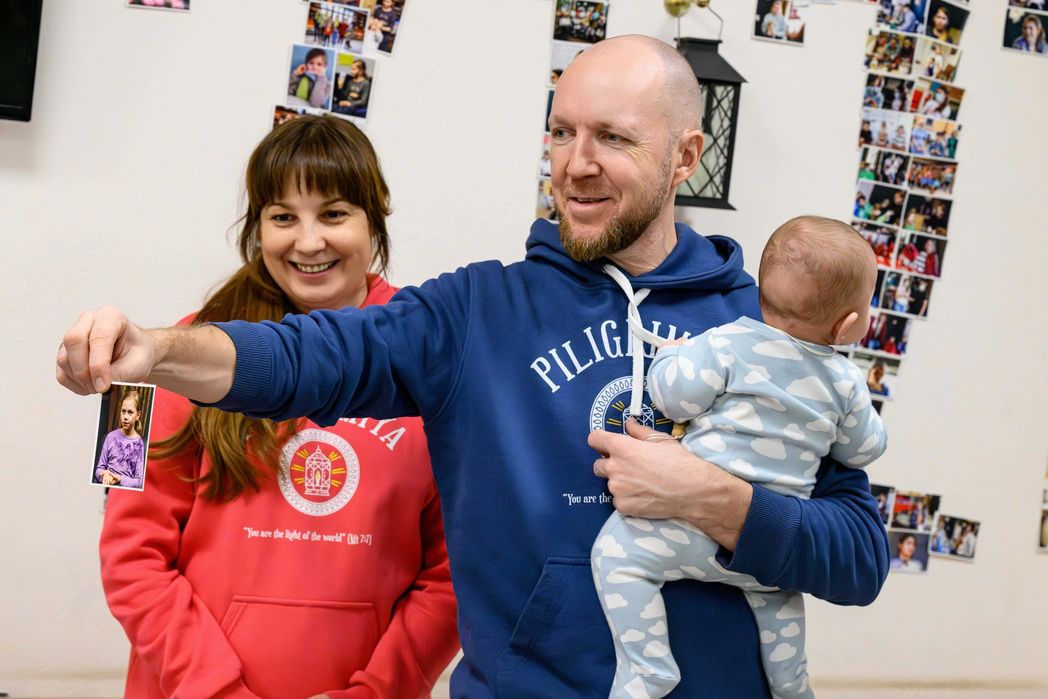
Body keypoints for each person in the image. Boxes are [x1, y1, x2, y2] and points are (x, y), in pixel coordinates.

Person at [58, 36, 890, 698]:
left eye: (613, 137)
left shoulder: (769, 327)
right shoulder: (467, 313)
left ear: (685, 156)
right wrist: (156, 351)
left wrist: (722, 502)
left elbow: (858, 556)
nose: (576, 162)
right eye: (561, 133)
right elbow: (301, 362)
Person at [97, 116, 460, 698]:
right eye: (283, 217)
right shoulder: (164, 353)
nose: (308, 242)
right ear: (257, 226)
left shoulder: (440, 355)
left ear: (375, 217)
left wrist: (376, 692)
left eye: (334, 214)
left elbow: (454, 571)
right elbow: (126, 556)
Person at [593, 216, 887, 699]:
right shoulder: (846, 382)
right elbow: (863, 450)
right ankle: (792, 685)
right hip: (760, 553)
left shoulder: (726, 343)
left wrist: (671, 357)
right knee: (780, 601)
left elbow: (674, 400)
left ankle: (649, 669)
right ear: (848, 325)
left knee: (616, 555)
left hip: (685, 534)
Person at [95, 388, 146, 489]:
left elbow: (139, 481)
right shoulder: (110, 437)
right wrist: (104, 474)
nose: (125, 417)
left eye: (130, 412)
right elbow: (98, 470)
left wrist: (120, 479)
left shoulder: (139, 443)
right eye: (123, 411)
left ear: (138, 415)